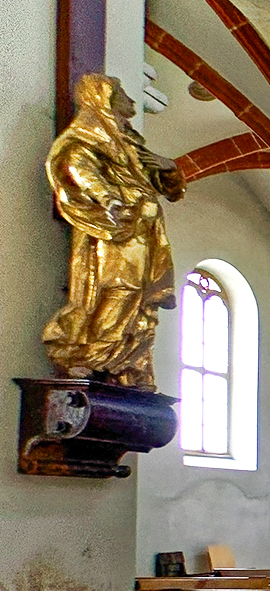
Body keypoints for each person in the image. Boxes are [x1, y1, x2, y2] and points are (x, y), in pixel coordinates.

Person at [42, 74, 185, 389]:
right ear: (103, 97)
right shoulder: (86, 137)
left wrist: (168, 167)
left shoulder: (131, 140)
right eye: (120, 92)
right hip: (117, 229)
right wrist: (108, 199)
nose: (130, 98)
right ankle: (91, 357)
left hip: (147, 231)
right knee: (118, 289)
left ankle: (129, 364)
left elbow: (168, 188)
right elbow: (75, 165)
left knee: (143, 300)